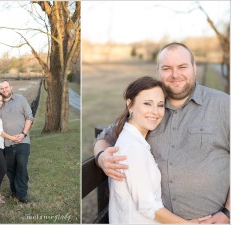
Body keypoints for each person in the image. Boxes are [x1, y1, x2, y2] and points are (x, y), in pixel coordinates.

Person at [94, 43, 230, 223]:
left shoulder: (223, 105)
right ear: (159, 70)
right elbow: (106, 137)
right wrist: (101, 156)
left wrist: (228, 213)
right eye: (167, 68)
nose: (175, 75)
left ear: (194, 68)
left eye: (182, 67)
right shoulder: (150, 110)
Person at [109, 76, 209, 223]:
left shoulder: (136, 140)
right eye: (147, 104)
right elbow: (148, 207)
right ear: (130, 104)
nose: (155, 112)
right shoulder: (132, 148)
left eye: (160, 105)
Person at [0, 80, 34, 203]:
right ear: (0, 90)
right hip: (6, 144)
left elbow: (29, 117)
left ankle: (22, 195)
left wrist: (23, 133)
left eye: (6, 87)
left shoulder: (20, 99)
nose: (5, 90)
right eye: (2, 88)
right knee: (10, 169)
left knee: (21, 167)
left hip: (22, 141)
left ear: (11, 87)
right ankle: (14, 192)